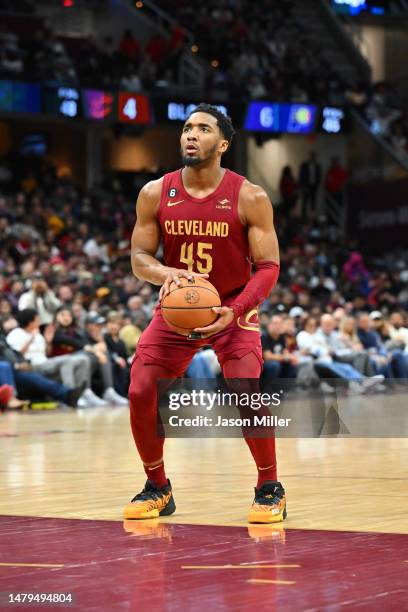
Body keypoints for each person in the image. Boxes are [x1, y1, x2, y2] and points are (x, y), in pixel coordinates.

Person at [124, 103, 285, 524]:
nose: (191, 135)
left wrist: (234, 312)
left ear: (223, 144)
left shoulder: (250, 196)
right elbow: (139, 258)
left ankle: (270, 487)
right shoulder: (155, 192)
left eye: (203, 129)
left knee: (246, 390)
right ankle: (157, 487)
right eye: (187, 128)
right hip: (181, 308)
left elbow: (268, 267)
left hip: (232, 306)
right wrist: (165, 274)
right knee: (141, 389)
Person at [299, 152, 321, 219]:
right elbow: (301, 176)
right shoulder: (304, 165)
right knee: (305, 202)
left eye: (314, 156)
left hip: (314, 186)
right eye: (312, 156)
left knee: (313, 202)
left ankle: (312, 217)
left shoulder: (317, 166)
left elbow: (319, 176)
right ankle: (303, 217)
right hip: (306, 186)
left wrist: (317, 184)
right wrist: (303, 186)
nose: (313, 158)